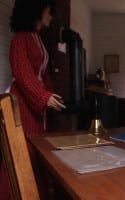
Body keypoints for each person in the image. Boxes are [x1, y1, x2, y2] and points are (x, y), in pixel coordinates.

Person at [0, 0, 65, 199]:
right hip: (22, 101)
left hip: (35, 102)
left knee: (36, 152)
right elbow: (23, 73)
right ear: (37, 11)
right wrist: (43, 96)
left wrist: (52, 94)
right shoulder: (20, 39)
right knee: (22, 151)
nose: (51, 16)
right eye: (48, 11)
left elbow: (42, 75)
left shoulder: (37, 38)